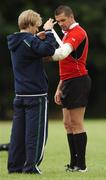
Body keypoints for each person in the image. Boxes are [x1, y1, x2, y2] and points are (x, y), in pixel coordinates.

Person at [7, 9, 57, 174]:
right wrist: (49, 31)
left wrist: (37, 38)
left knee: (18, 135)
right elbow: (49, 49)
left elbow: (31, 45)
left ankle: (15, 167)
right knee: (35, 135)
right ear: (30, 24)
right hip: (36, 96)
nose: (38, 29)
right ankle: (30, 167)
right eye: (36, 26)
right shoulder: (29, 41)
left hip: (20, 95)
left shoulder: (16, 41)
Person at [52, 5, 92, 172]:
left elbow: (61, 54)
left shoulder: (78, 32)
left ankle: (81, 166)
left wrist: (49, 32)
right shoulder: (67, 34)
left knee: (76, 123)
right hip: (68, 81)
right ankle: (73, 164)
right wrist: (59, 87)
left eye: (63, 20)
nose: (60, 24)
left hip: (78, 81)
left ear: (71, 17)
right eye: (58, 21)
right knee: (68, 124)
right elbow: (66, 65)